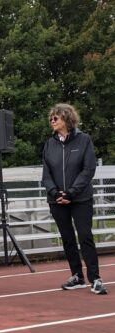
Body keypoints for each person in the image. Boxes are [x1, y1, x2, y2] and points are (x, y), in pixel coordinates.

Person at [42, 103, 107, 295]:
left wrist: (71, 192)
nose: (52, 121)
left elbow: (88, 169)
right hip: (57, 200)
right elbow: (46, 174)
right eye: (51, 118)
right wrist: (55, 193)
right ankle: (77, 276)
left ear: (67, 119)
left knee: (85, 236)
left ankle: (95, 278)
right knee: (67, 239)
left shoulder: (84, 140)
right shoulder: (49, 144)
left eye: (56, 118)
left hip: (80, 199)